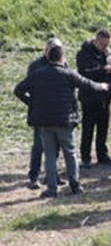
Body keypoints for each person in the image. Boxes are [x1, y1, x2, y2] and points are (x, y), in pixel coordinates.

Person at [15, 44, 110, 198]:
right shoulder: (67, 73)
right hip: (64, 120)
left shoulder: (37, 74)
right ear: (62, 57)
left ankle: (51, 189)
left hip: (44, 121)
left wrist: (32, 103)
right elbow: (87, 84)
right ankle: (75, 185)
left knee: (50, 155)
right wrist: (102, 86)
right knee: (70, 153)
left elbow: (18, 90)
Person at [75, 29, 111, 167]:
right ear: (97, 40)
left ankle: (102, 154)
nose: (105, 47)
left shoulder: (107, 52)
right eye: (103, 44)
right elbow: (83, 73)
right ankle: (85, 157)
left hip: (105, 96)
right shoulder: (84, 53)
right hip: (89, 97)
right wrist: (103, 69)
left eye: (108, 44)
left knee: (103, 127)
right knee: (88, 128)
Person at [25, 37, 64, 189]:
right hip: (41, 113)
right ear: (45, 49)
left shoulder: (62, 63)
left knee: (57, 145)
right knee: (38, 145)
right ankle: (33, 177)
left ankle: (51, 176)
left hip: (58, 112)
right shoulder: (35, 66)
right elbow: (27, 87)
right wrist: (33, 103)